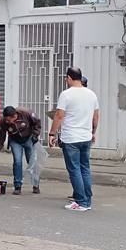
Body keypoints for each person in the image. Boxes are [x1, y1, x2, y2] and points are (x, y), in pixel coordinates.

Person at [49, 67, 99, 212]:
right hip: (86, 137)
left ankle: (81, 202)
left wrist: (52, 133)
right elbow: (96, 117)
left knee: (74, 169)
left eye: (66, 78)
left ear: (70, 78)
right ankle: (86, 201)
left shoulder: (66, 95)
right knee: (85, 168)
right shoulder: (92, 94)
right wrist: (92, 132)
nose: (66, 80)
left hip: (71, 138)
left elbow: (59, 116)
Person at [0, 106, 42, 195]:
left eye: (8, 120)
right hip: (15, 141)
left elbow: (37, 123)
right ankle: (17, 186)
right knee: (17, 162)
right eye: (5, 119)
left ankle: (35, 184)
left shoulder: (26, 113)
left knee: (32, 162)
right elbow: (1, 137)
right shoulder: (4, 121)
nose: (7, 122)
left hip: (29, 139)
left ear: (14, 116)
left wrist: (35, 135)